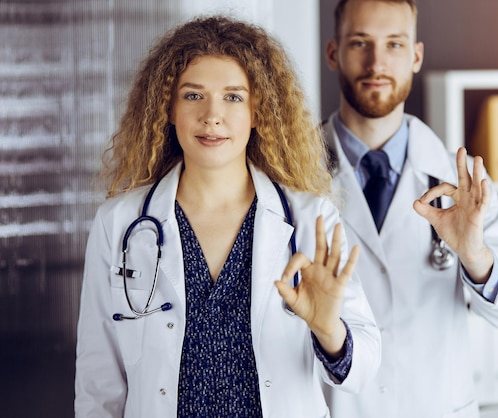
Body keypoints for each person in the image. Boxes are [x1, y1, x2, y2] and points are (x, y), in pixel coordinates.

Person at [74, 15, 381, 418]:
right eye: (193, 95)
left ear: (259, 112)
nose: (212, 115)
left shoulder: (310, 220)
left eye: (233, 97)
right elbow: (98, 387)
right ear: (167, 108)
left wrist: (328, 331)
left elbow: (364, 368)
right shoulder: (119, 225)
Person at [321, 0, 498, 417]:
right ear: (334, 52)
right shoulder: (293, 180)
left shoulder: (457, 181)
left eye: (395, 44)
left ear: (416, 56)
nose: (377, 62)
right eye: (360, 42)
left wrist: (474, 255)